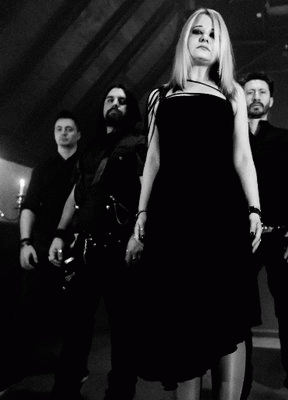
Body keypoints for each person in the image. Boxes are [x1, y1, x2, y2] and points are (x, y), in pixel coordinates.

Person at [125, 8, 263, 400]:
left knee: (228, 315)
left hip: (222, 217)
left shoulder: (232, 93)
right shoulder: (161, 95)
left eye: (212, 34)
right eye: (197, 32)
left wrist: (254, 208)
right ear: (185, 40)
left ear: (221, 46)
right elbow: (153, 159)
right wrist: (142, 212)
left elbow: (243, 158)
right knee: (182, 320)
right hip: (173, 219)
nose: (204, 38)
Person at [48, 84, 146, 400]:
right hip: (86, 249)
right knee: (76, 328)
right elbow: (76, 195)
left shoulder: (139, 144)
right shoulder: (91, 148)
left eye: (121, 101)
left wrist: (139, 237)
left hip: (122, 249)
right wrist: (60, 233)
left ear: (130, 108)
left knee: (124, 332)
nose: (114, 104)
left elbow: (149, 192)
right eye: (110, 100)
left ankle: (120, 395)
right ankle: (65, 390)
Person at [238, 71, 288, 400]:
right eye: (249, 91)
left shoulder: (286, 139)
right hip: (241, 239)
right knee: (237, 316)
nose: (255, 96)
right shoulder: (230, 140)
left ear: (271, 100)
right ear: (240, 97)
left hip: (283, 238)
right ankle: (238, 389)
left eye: (261, 92)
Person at [0, 110, 82, 397]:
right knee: (26, 312)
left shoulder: (85, 165)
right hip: (41, 244)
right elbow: (29, 207)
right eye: (59, 128)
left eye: (69, 129)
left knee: (75, 315)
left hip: (73, 246)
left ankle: (74, 373)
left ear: (78, 134)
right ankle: (12, 371)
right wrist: (25, 243)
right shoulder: (43, 168)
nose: (64, 133)